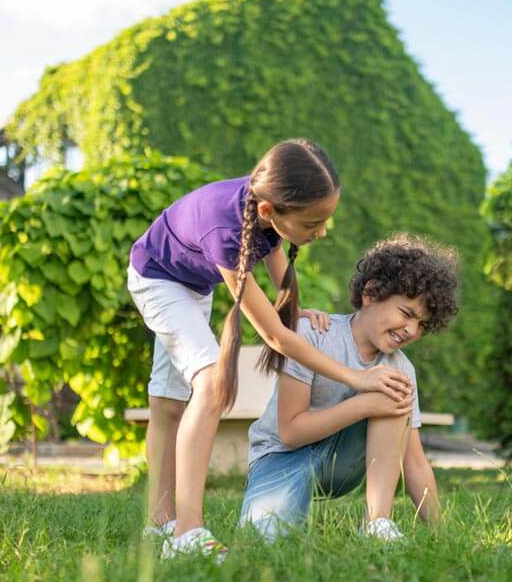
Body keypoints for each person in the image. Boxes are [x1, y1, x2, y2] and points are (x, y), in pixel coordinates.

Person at [127, 139, 412, 560]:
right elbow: (276, 337)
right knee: (208, 384)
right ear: (269, 212)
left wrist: (299, 310)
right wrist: (354, 376)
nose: (322, 232)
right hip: (157, 280)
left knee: (169, 404)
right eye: (314, 222)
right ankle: (187, 531)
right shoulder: (226, 228)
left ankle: (159, 525)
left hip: (192, 285)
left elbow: (283, 300)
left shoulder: (266, 208)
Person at [239, 234, 458, 541]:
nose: (411, 329)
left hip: (341, 466)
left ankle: (376, 522)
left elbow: (415, 461)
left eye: (422, 324)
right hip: (281, 456)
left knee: (393, 389)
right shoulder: (314, 335)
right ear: (370, 294)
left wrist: (442, 532)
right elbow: (290, 432)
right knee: (268, 538)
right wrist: (363, 405)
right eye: (407, 313)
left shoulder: (400, 368)